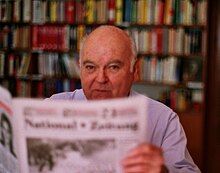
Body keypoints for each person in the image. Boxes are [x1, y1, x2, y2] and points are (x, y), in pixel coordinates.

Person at [48, 25, 200, 173]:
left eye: (113, 67)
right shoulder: (53, 108)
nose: (101, 78)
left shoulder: (162, 119)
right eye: (90, 67)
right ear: (80, 69)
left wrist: (163, 172)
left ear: (135, 70)